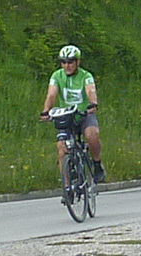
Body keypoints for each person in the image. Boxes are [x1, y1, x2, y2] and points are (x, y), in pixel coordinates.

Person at [40, 44, 105, 183]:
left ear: (77, 62)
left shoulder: (85, 76)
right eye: (63, 62)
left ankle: (97, 163)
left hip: (84, 114)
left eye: (70, 62)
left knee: (92, 135)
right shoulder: (57, 76)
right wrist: (46, 110)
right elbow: (51, 94)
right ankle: (67, 186)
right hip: (66, 116)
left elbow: (90, 90)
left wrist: (93, 103)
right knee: (61, 148)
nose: (67, 65)